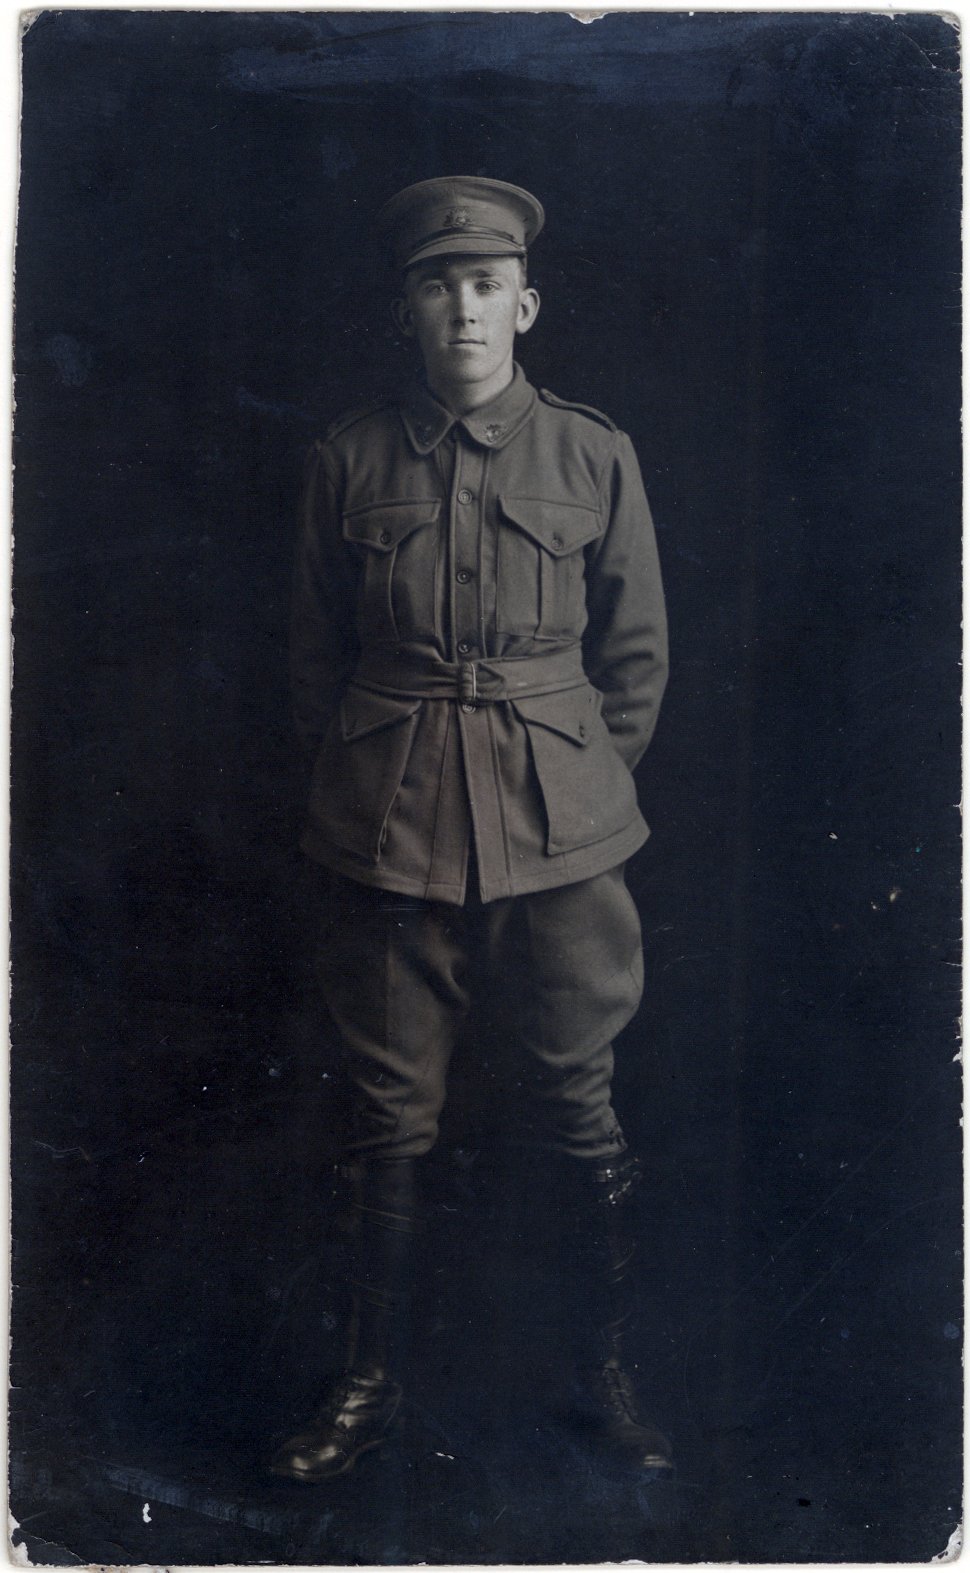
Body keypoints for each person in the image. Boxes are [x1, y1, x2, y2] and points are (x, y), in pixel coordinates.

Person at [272, 176, 670, 1483]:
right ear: (407, 309)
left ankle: (598, 1375)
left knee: (578, 1105)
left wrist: (577, 791)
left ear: (524, 306)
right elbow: (313, 661)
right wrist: (363, 787)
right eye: (438, 285)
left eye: (486, 285)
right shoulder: (347, 461)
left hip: (562, 839)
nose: (463, 308)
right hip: (387, 829)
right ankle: (368, 1381)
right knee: (387, 1116)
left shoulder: (592, 454)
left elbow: (634, 659)